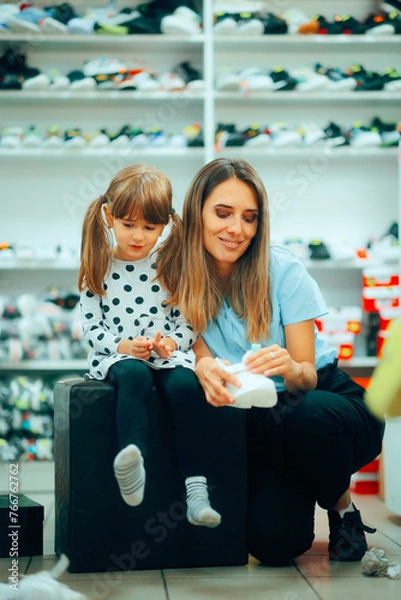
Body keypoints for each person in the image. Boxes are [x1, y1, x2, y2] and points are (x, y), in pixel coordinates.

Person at [166, 157, 384, 565]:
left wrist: (288, 366)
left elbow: (306, 376)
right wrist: (202, 365)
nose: (237, 229)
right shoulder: (177, 276)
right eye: (223, 213)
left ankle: (343, 512)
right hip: (261, 419)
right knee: (274, 546)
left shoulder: (282, 269)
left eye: (250, 218)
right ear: (196, 213)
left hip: (323, 400)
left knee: (307, 415)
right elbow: (189, 343)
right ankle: (304, 480)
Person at [77, 164, 221, 528]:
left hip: (167, 358)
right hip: (119, 357)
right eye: (129, 224)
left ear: (166, 223)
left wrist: (171, 342)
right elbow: (92, 328)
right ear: (109, 217)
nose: (139, 236)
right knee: (134, 379)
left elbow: (188, 321)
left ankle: (197, 492)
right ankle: (132, 461)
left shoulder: (171, 264)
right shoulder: (98, 264)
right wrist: (124, 346)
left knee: (187, 388)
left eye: (150, 227)